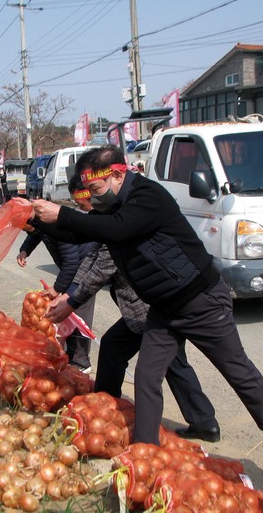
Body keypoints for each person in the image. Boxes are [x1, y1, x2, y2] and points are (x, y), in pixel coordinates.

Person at [30, 145, 263, 469]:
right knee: (147, 378)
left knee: (237, 370)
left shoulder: (147, 197)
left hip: (202, 301)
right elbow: (83, 229)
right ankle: (145, 455)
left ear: (116, 174)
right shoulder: (114, 207)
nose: (93, 197)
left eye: (95, 188)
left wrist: (63, 216)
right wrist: (35, 219)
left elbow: (115, 229)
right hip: (163, 311)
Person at [46, 177, 221, 440]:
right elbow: (90, 260)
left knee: (171, 362)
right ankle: (106, 404)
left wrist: (71, 301)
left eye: (86, 194)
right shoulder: (104, 216)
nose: (83, 202)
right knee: (117, 348)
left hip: (149, 307)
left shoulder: (117, 218)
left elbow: (101, 269)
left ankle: (202, 422)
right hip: (141, 309)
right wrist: (66, 292)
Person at [17, 210, 96, 373]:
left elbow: (72, 262)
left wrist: (57, 288)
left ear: (31, 219)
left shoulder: (56, 226)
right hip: (72, 269)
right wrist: (25, 250)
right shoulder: (40, 224)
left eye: (26, 227)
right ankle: (69, 355)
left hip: (84, 270)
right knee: (66, 314)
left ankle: (82, 362)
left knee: (79, 316)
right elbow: (35, 234)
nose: (26, 231)